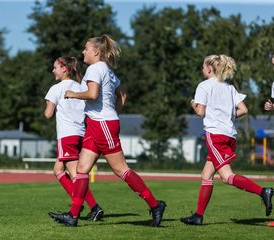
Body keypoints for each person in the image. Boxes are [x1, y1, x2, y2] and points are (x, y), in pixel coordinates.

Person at [49, 34, 166, 227]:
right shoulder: (107, 70)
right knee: (82, 169)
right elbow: (123, 94)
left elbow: (93, 95)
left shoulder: (95, 69)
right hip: (98, 125)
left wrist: (73, 95)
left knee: (121, 170)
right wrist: (114, 114)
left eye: (86, 49)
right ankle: (73, 215)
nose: (83, 52)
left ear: (96, 51)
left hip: (102, 125)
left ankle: (155, 205)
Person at [180, 54, 273, 225]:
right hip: (229, 135)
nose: (202, 70)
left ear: (209, 68)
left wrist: (193, 103)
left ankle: (263, 191)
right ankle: (198, 216)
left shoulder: (204, 86)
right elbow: (243, 110)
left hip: (215, 136)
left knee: (227, 177)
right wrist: (225, 117)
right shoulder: (229, 88)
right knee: (206, 174)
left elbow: (200, 112)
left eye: (203, 67)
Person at [44, 56, 103, 221]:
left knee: (76, 175)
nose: (53, 70)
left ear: (64, 69)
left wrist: (49, 104)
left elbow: (48, 114)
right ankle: (80, 203)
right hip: (81, 134)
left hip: (67, 135)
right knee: (58, 170)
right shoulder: (81, 86)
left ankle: (90, 207)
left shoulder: (56, 89)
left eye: (55, 67)